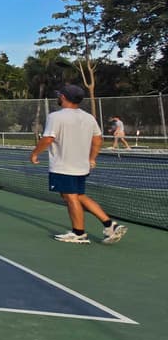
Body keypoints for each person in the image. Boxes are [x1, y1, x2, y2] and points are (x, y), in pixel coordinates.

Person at [31, 84, 127, 244]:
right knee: (77, 196)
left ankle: (79, 233)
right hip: (81, 167)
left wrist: (34, 153)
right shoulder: (89, 117)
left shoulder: (55, 116)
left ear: (63, 97)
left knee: (70, 197)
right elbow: (98, 139)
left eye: (59, 95)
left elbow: (48, 138)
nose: (58, 97)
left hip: (63, 166)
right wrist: (92, 158)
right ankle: (110, 225)